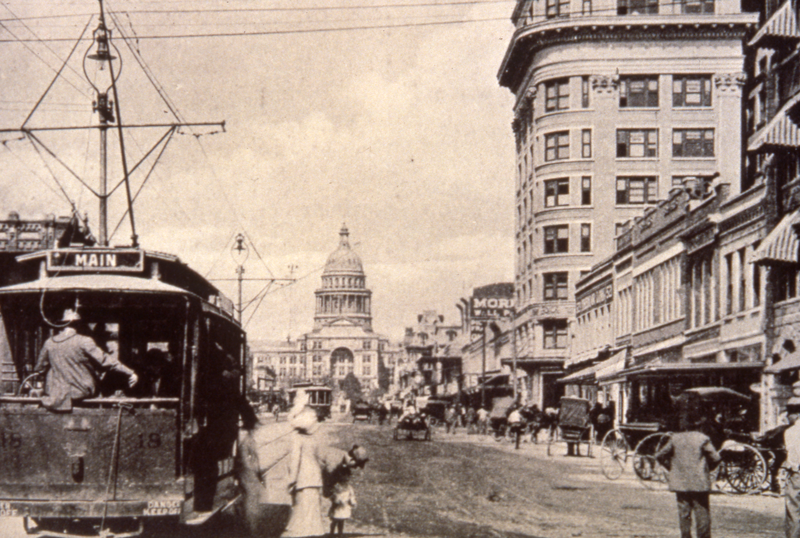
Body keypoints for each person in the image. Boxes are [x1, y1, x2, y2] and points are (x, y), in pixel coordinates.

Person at [34, 309, 138, 411]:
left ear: (62, 325)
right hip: (81, 393)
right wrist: (130, 372)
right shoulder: (84, 341)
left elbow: (40, 368)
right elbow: (105, 360)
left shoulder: (49, 343)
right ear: (79, 325)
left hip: (56, 397)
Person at [655, 425, 721, 538]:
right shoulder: (702, 438)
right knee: (702, 513)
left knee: (684, 514)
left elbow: (659, 455)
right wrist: (707, 468)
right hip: (699, 482)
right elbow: (716, 458)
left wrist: (671, 468)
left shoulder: (675, 438)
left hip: (680, 483)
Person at [325, 445, 368, 537]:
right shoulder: (336, 462)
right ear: (352, 460)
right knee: (335, 520)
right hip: (338, 506)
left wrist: (352, 501)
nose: (355, 468)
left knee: (341, 521)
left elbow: (351, 495)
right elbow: (331, 490)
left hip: (343, 506)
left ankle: (340, 534)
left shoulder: (348, 486)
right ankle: (332, 533)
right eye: (356, 465)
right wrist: (335, 499)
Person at [783, 397, 800, 538]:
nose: (788, 417)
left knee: (793, 508)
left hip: (797, 473)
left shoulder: (791, 431)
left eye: (789, 414)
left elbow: (793, 455)